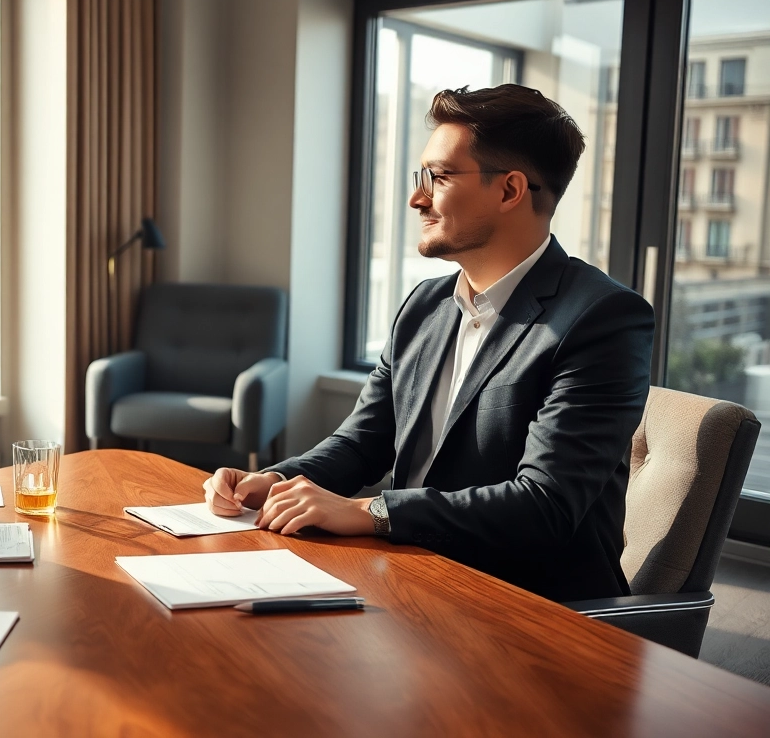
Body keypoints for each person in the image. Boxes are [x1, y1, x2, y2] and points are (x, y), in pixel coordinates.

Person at [204, 84, 654, 602]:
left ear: (509, 191)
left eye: (438, 177)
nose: (417, 197)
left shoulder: (603, 318)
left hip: (527, 606)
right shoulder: (424, 306)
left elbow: (543, 505)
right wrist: (271, 481)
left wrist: (367, 510)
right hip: (410, 577)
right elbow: (362, 442)